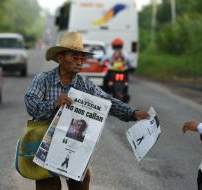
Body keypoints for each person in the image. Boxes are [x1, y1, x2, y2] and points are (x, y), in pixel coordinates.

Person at [24, 31, 150, 190]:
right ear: (60, 58)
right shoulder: (43, 79)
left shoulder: (85, 84)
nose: (80, 62)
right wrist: (54, 104)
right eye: (74, 57)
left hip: (73, 144)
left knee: (82, 180)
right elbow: (30, 104)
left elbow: (108, 101)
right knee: (49, 184)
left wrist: (133, 113)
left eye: (82, 58)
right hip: (45, 144)